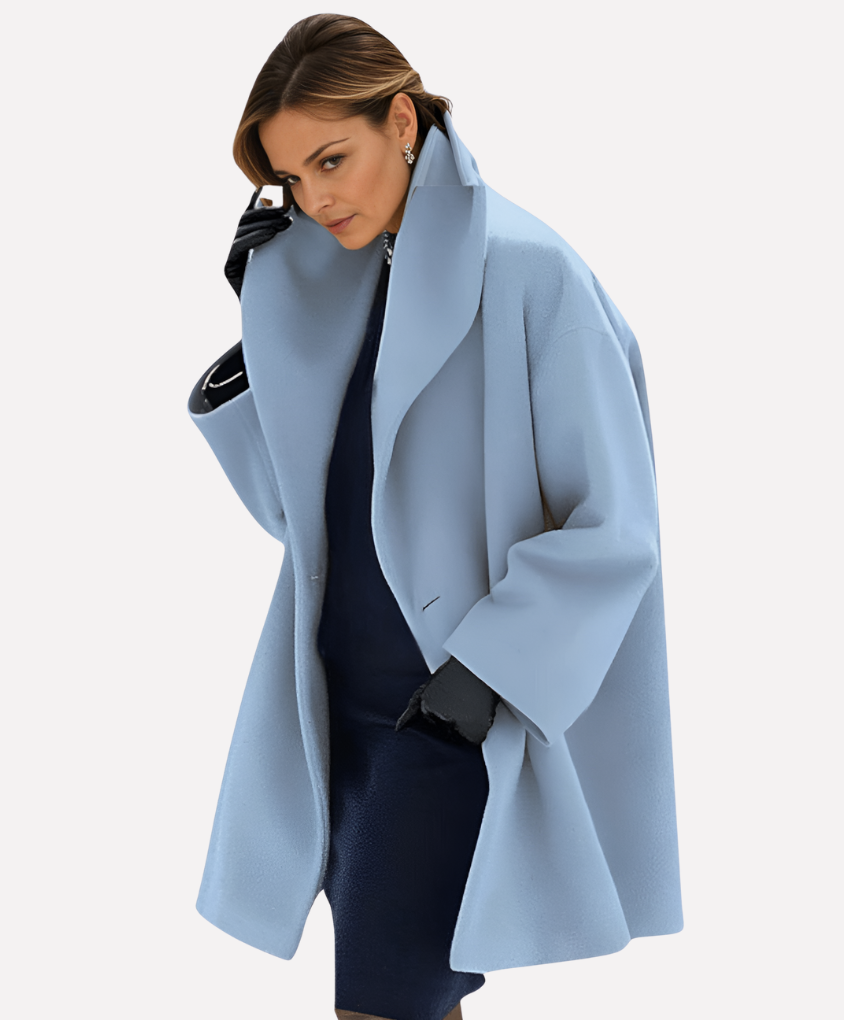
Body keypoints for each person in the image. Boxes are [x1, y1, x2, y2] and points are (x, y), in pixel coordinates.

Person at [187, 14, 682, 1020]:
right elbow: (298, 518)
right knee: (411, 999)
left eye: (332, 159)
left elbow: (615, 523)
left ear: (404, 121)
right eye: (291, 179)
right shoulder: (343, 283)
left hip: (449, 717)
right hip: (334, 708)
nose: (315, 200)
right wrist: (266, 328)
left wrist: (483, 676)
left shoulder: (531, 272)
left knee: (380, 1003)